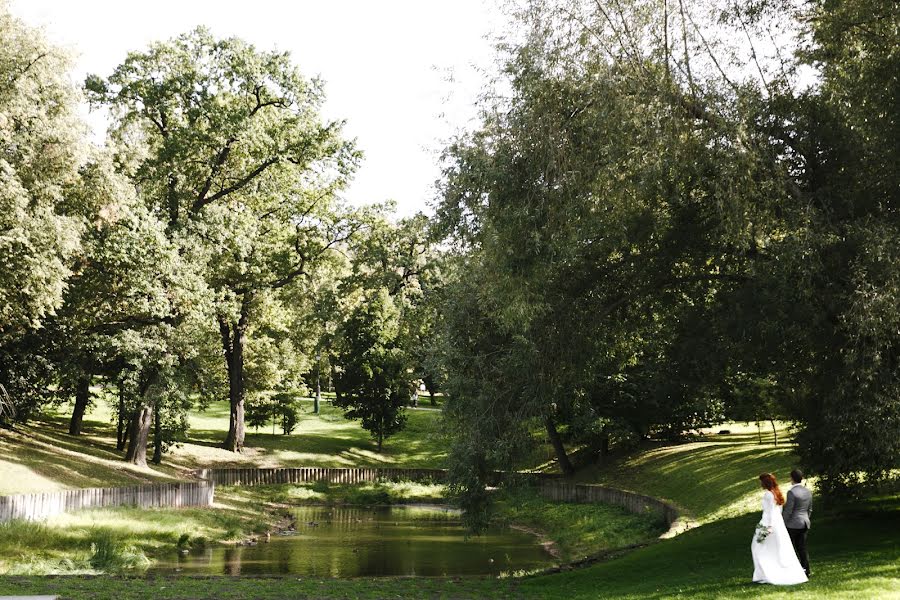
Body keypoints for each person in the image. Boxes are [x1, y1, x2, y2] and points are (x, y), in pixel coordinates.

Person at [751, 473, 808, 585]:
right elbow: (778, 512)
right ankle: (764, 574)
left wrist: (769, 527)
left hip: (767, 525)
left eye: (761, 482)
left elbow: (770, 513)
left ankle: (765, 574)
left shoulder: (768, 494)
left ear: (764, 483)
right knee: (770, 549)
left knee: (758, 547)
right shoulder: (776, 493)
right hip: (776, 525)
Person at [782, 469, 812, 576]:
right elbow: (810, 509)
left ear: (792, 479)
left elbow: (788, 511)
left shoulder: (791, 492)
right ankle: (806, 570)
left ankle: (791, 570)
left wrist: (782, 523)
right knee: (802, 548)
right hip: (804, 523)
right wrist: (806, 518)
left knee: (789, 548)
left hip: (793, 524)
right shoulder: (807, 491)